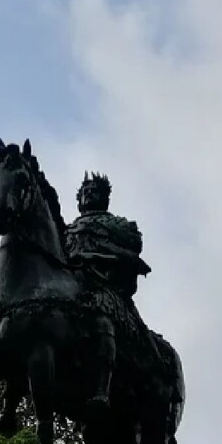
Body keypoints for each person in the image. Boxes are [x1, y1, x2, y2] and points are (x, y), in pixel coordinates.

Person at [64, 171, 157, 409]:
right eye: (84, 191)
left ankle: (102, 389)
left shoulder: (119, 225)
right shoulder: (65, 230)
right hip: (69, 287)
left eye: (94, 190)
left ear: (105, 197)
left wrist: (94, 254)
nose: (88, 194)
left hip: (102, 285)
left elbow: (131, 253)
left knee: (101, 317)